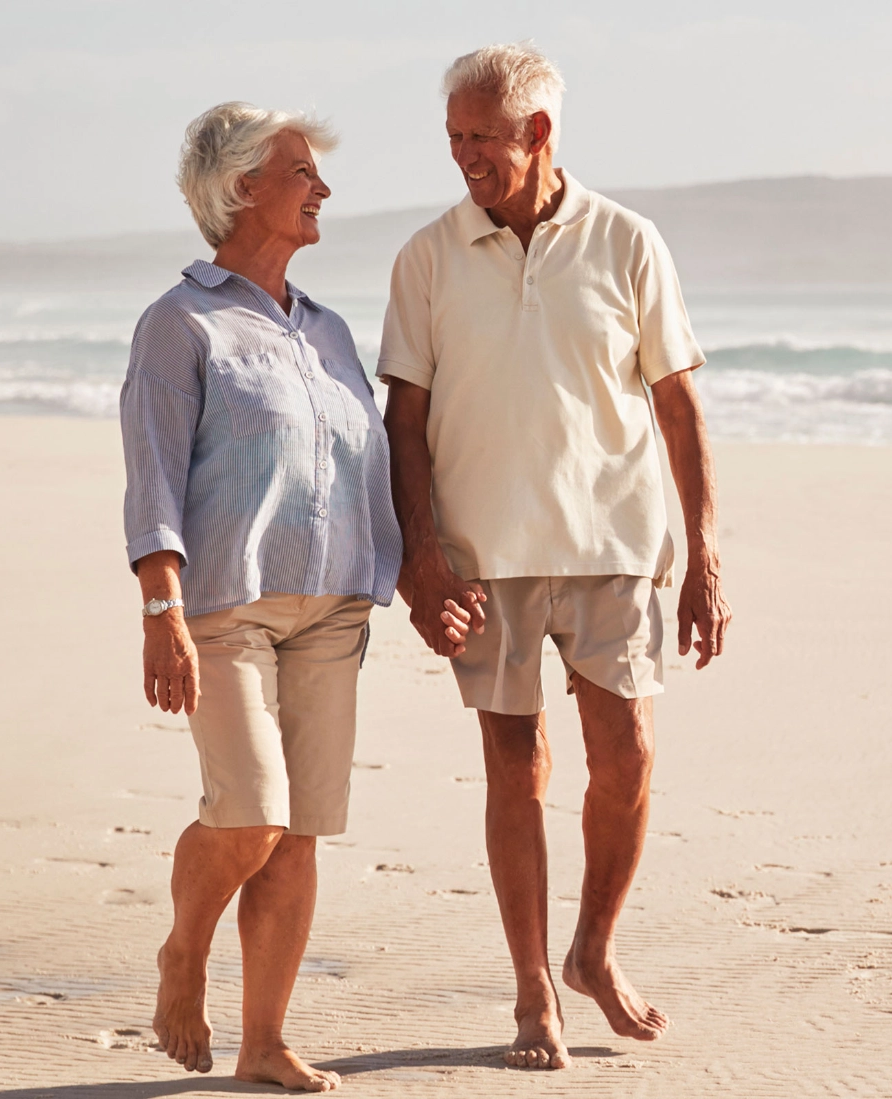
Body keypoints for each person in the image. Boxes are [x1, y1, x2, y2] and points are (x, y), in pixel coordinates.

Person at [379, 43, 733, 1070]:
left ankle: (593, 950)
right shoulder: (428, 257)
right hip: (484, 554)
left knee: (626, 759)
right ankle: (535, 987)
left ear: (537, 133)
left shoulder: (629, 242)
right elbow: (404, 421)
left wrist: (704, 551)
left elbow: (677, 404)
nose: (463, 158)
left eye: (480, 137)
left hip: (615, 545)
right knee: (515, 764)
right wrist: (424, 557)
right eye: (452, 138)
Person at [120, 102, 451, 1091]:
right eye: (302, 170)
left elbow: (369, 466)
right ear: (240, 189)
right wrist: (160, 610)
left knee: (297, 834)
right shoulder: (179, 323)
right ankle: (184, 952)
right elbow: (153, 481)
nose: (322, 188)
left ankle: (264, 1041)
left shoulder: (331, 330)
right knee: (251, 816)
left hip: (333, 612)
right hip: (225, 608)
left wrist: (419, 576)